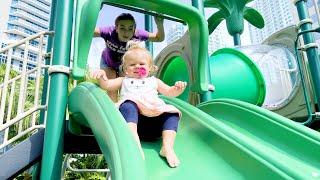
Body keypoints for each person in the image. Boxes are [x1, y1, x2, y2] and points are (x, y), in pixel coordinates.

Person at [98, 42, 187, 168]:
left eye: (141, 64)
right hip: (134, 125)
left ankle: (167, 147)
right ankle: (134, 144)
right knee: (128, 104)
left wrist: (177, 88)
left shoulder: (154, 81)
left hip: (155, 126)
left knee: (171, 112)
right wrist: (102, 76)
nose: (137, 67)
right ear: (125, 69)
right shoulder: (124, 81)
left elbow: (169, 92)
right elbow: (107, 85)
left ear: (150, 68)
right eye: (132, 64)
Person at [91, 13, 165, 102]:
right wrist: (94, 11)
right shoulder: (109, 32)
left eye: (130, 29)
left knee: (128, 86)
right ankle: (114, 111)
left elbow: (158, 38)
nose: (126, 32)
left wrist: (159, 24)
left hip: (126, 66)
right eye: (122, 28)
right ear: (116, 28)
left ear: (134, 30)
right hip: (108, 63)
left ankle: (126, 107)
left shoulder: (138, 34)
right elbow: (89, 31)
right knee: (112, 89)